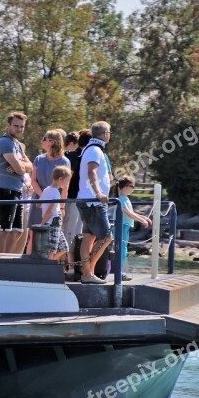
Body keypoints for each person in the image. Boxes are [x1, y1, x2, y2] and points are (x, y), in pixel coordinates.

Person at [77, 121, 114, 284]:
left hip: (88, 200)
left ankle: (87, 272)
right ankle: (88, 271)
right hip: (93, 202)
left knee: (89, 237)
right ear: (105, 134)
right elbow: (91, 172)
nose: (110, 135)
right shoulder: (94, 150)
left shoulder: (92, 149)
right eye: (109, 132)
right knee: (106, 237)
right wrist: (99, 193)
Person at [0, 112, 34, 253]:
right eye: (16, 126)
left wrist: (21, 165)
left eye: (22, 127)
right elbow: (20, 169)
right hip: (4, 190)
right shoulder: (4, 142)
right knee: (5, 230)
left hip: (17, 190)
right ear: (8, 125)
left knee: (17, 231)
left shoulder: (18, 145)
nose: (19, 129)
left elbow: (30, 166)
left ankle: (8, 260)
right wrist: (20, 167)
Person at [27, 130, 70, 253]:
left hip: (55, 205)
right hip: (39, 201)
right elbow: (33, 180)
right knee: (33, 233)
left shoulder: (64, 161)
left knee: (53, 239)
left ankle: (47, 265)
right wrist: (44, 196)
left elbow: (65, 187)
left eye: (44, 138)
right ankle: (28, 263)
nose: (42, 141)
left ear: (52, 141)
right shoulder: (38, 159)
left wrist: (62, 207)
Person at [118, 175, 151, 279]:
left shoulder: (125, 199)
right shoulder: (121, 199)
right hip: (121, 227)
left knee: (124, 249)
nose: (133, 189)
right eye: (133, 187)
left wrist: (144, 217)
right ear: (127, 186)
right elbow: (128, 213)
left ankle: (121, 272)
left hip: (125, 226)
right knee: (122, 250)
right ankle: (120, 272)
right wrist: (142, 220)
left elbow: (132, 212)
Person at [39, 165, 72, 261]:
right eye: (66, 181)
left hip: (54, 222)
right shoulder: (56, 193)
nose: (67, 184)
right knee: (52, 249)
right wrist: (42, 223)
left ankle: (51, 262)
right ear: (60, 179)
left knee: (64, 248)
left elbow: (39, 204)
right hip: (53, 223)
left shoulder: (46, 190)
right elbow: (49, 211)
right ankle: (49, 265)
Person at [62, 130, 84, 271]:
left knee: (70, 231)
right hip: (76, 198)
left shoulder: (72, 157)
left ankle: (69, 265)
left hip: (72, 198)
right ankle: (70, 265)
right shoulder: (78, 156)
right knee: (74, 232)